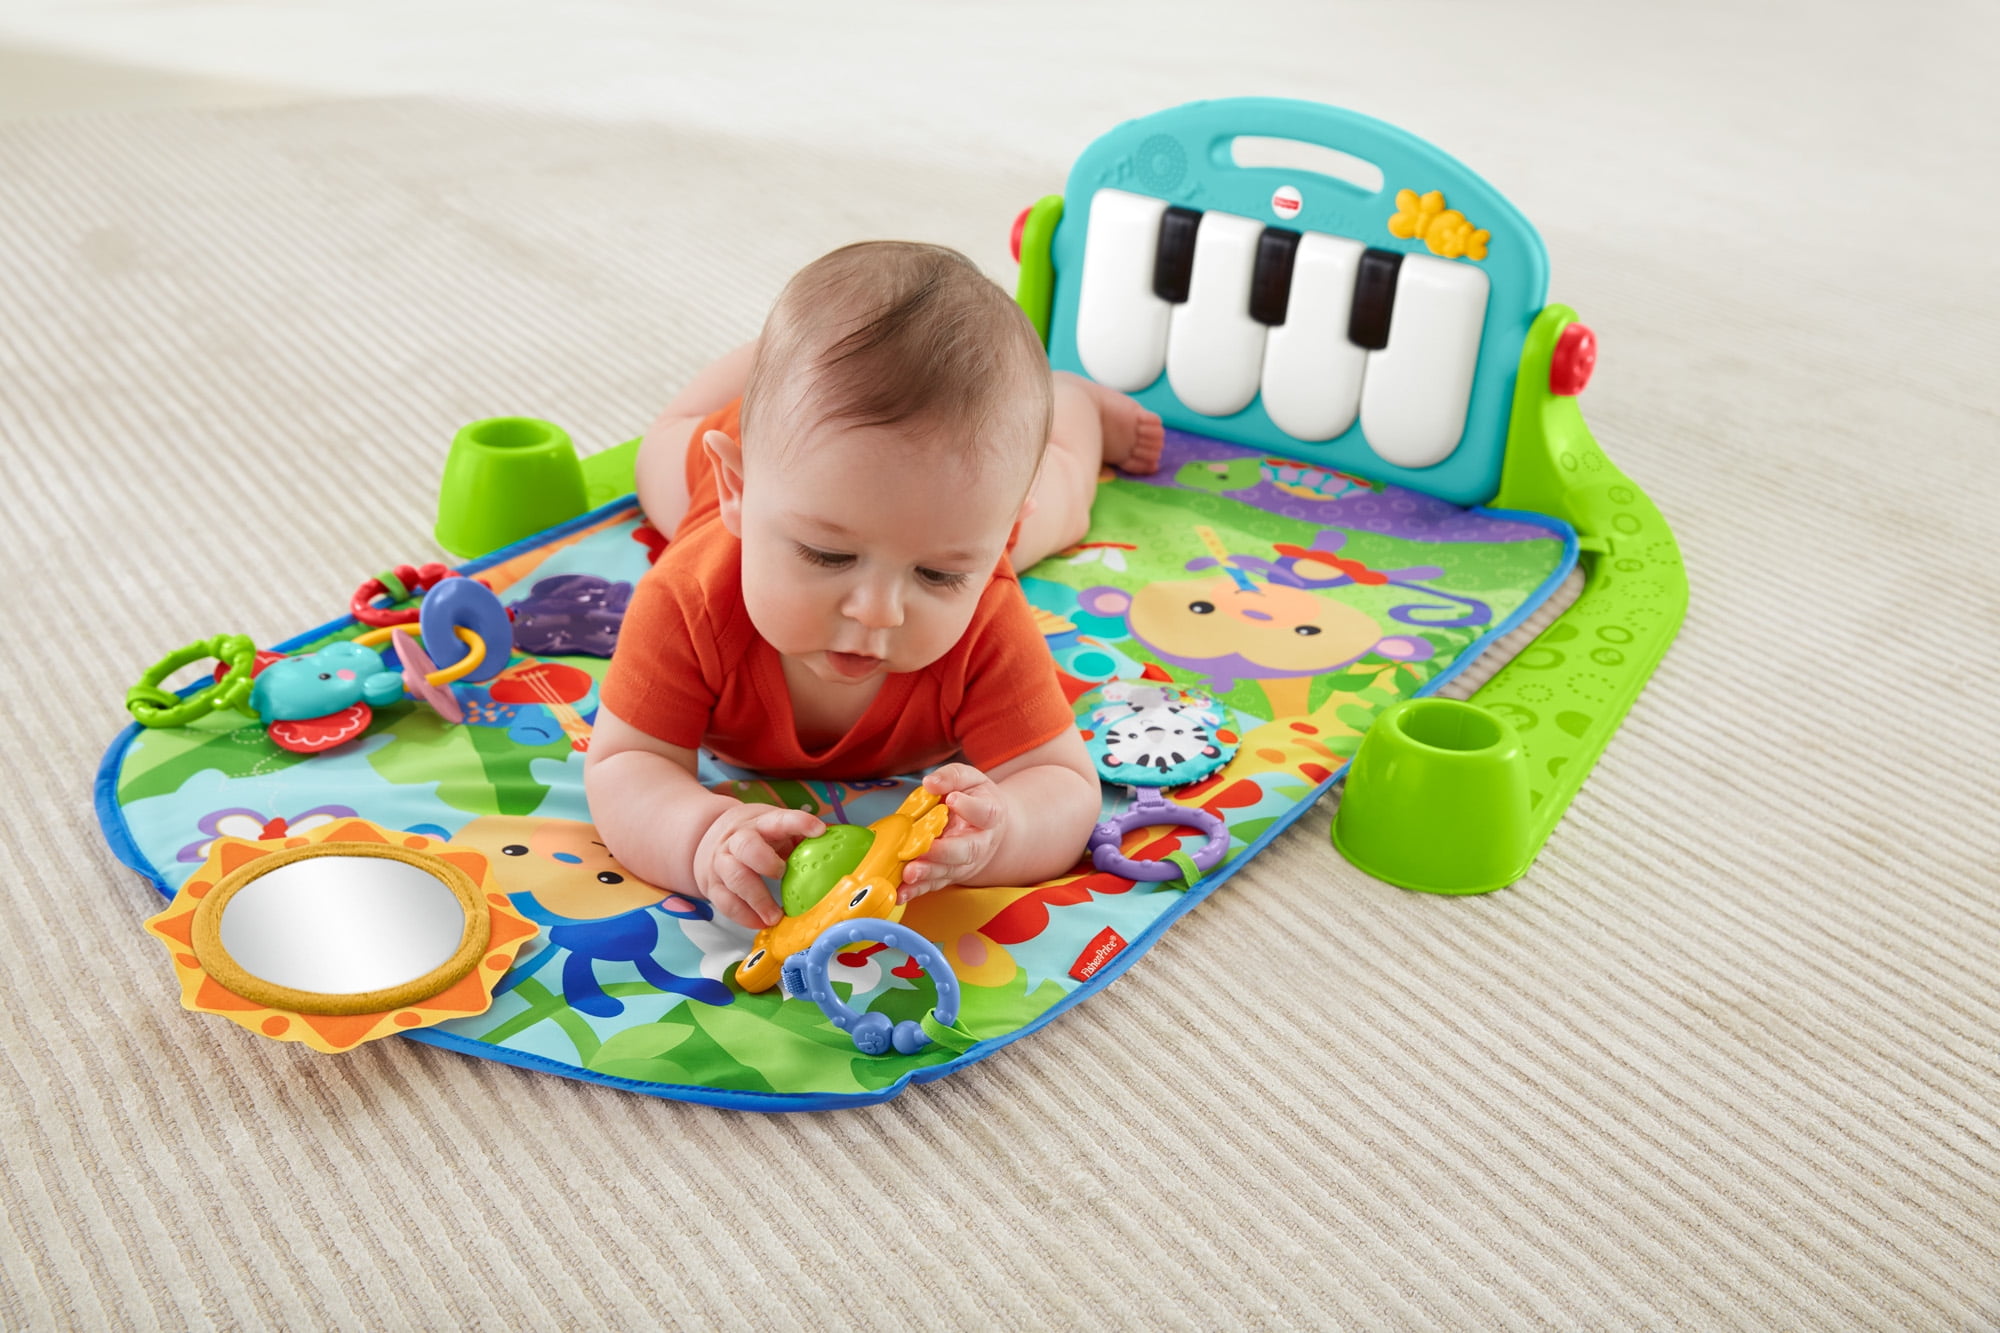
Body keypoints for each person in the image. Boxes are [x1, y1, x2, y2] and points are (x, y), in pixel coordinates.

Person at [585, 241, 1163, 930]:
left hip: (955, 495)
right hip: (731, 478)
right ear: (739, 488)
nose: (879, 610)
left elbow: (1067, 786)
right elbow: (627, 763)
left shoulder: (985, 616)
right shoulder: (687, 601)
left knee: (1064, 498)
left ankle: (1072, 402)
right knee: (663, 449)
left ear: (996, 543)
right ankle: (770, 359)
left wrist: (1000, 833)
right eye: (828, 556)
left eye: (937, 574)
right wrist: (703, 834)